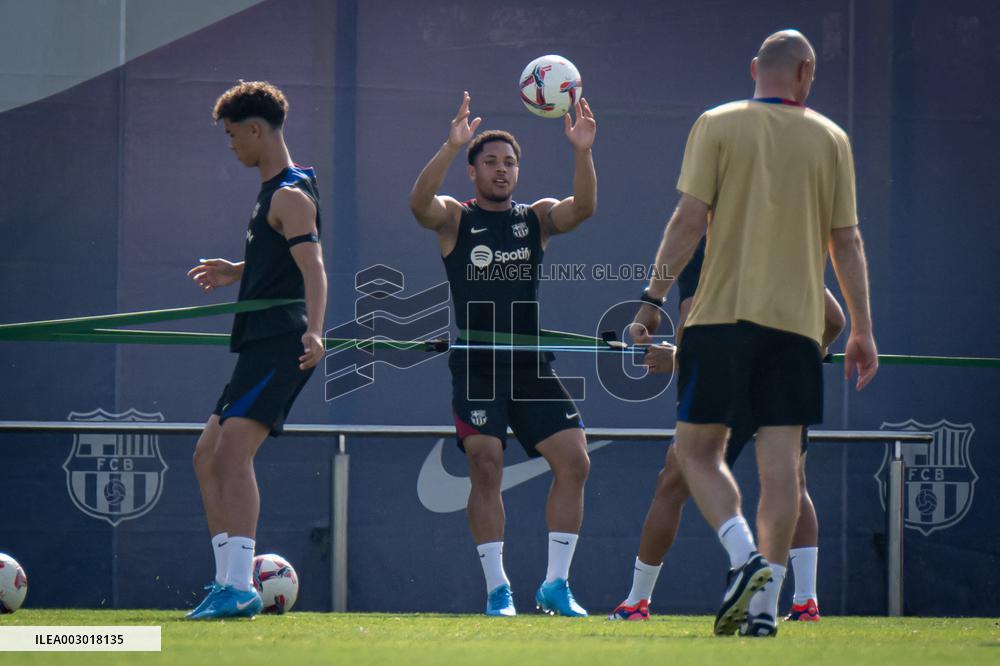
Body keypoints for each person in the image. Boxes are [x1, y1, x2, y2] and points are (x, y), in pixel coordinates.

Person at [630, 30, 878, 637]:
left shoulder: (716, 123)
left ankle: (744, 559)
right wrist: (863, 330)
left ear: (754, 70)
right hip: (795, 330)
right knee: (781, 473)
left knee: (695, 455)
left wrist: (652, 300)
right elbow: (845, 242)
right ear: (807, 74)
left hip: (720, 323)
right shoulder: (832, 138)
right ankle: (764, 609)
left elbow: (688, 220)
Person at [409, 91, 596, 617]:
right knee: (486, 466)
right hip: (477, 364)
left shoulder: (535, 218)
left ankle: (556, 586)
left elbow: (583, 208)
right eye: (490, 161)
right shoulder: (455, 219)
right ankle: (499, 591)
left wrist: (582, 150)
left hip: (530, 364)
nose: (501, 170)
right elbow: (418, 205)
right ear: (472, 171)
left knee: (575, 462)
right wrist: (450, 146)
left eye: (509, 162)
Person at [610, 235, 845, 623]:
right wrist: (812, 350)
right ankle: (803, 602)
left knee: (676, 478)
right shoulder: (787, 235)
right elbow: (834, 319)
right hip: (785, 376)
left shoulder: (704, 241)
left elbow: (690, 318)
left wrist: (677, 358)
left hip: (727, 380)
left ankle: (639, 601)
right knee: (791, 483)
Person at [184, 81, 327, 619]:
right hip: (257, 345)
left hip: (281, 344)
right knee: (205, 456)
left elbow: (315, 268)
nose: (230, 147)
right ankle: (227, 581)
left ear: (255, 130)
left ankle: (240, 586)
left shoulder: (289, 194)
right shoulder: (279, 192)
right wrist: (238, 271)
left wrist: (316, 332)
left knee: (231, 455)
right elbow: (287, 255)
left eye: (231, 137)